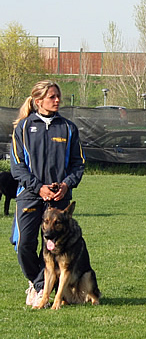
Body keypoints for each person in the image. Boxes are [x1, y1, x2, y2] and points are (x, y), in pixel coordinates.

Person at [10, 80, 85, 307]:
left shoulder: (69, 128)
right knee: (23, 244)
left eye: (57, 96)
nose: (57, 100)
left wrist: (66, 185)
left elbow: (78, 164)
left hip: (59, 198)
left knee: (60, 247)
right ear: (38, 100)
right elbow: (17, 166)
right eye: (52, 97)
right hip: (31, 195)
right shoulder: (22, 128)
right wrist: (37, 187)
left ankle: (47, 289)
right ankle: (40, 284)